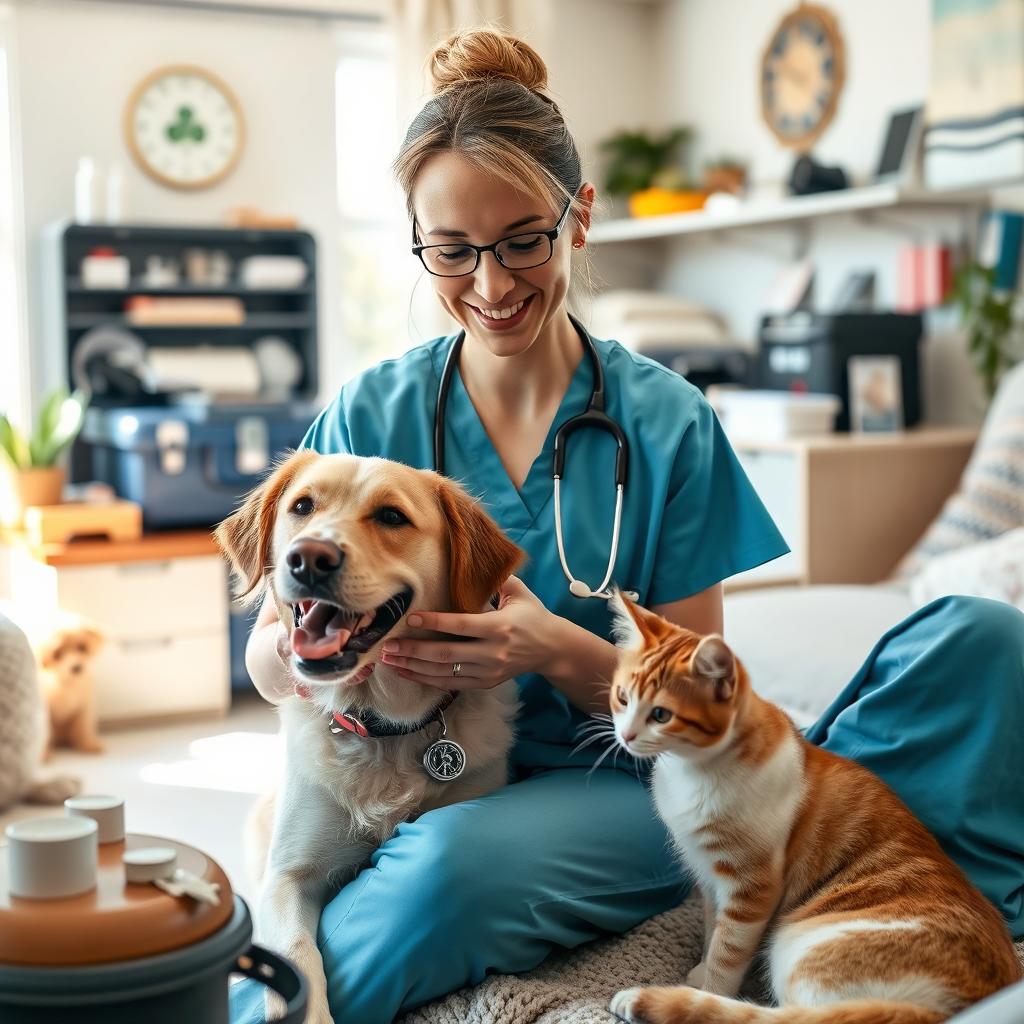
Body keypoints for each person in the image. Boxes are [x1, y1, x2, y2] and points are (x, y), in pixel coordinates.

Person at [231, 29, 1024, 1024]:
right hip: (411, 772)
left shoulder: (666, 422)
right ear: (418, 240)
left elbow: (703, 694)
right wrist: (317, 659)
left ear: (580, 216)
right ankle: (244, 1000)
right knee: (440, 862)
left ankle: (926, 913)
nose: (490, 284)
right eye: (451, 249)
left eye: (523, 239)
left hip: (613, 781)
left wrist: (554, 650)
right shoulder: (370, 417)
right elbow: (272, 650)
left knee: (983, 642)